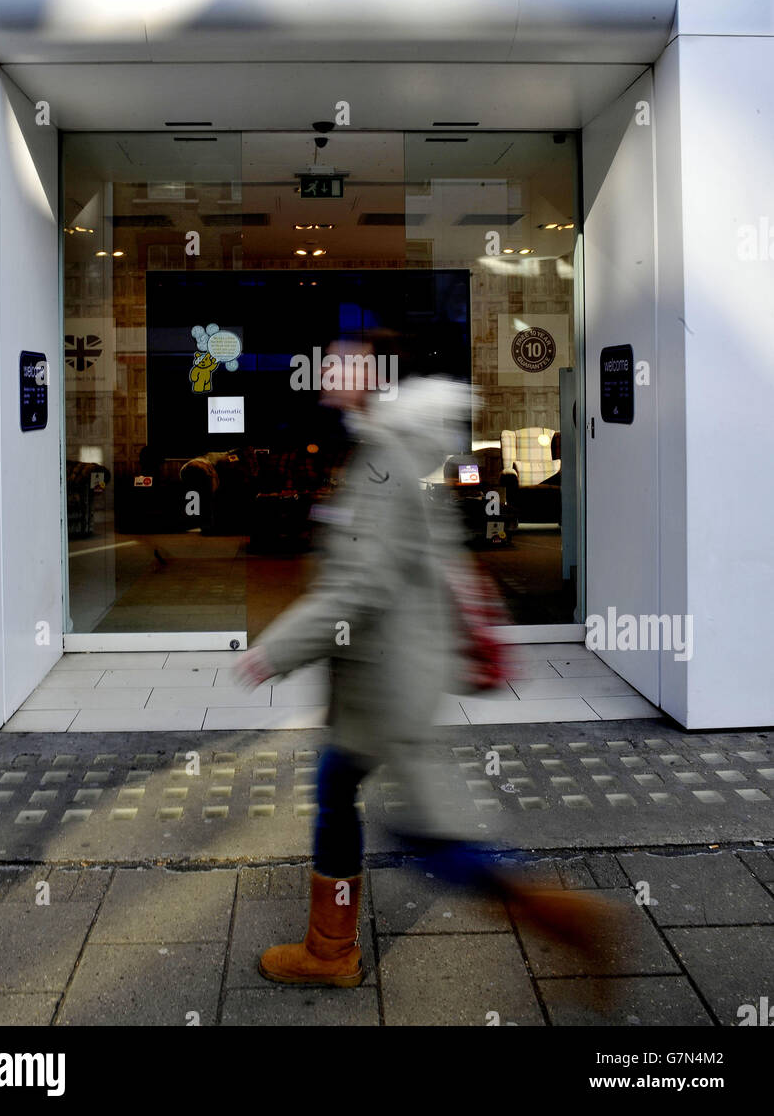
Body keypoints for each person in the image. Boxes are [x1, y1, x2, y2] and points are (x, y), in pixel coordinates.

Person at [235, 341, 616, 988]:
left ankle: (555, 910)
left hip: (386, 679)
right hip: (391, 671)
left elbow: (364, 587)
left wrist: (279, 648)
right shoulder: (399, 453)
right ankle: (331, 947)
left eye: (344, 368)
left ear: (381, 381)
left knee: (421, 829)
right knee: (343, 792)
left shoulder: (385, 461)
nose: (330, 381)